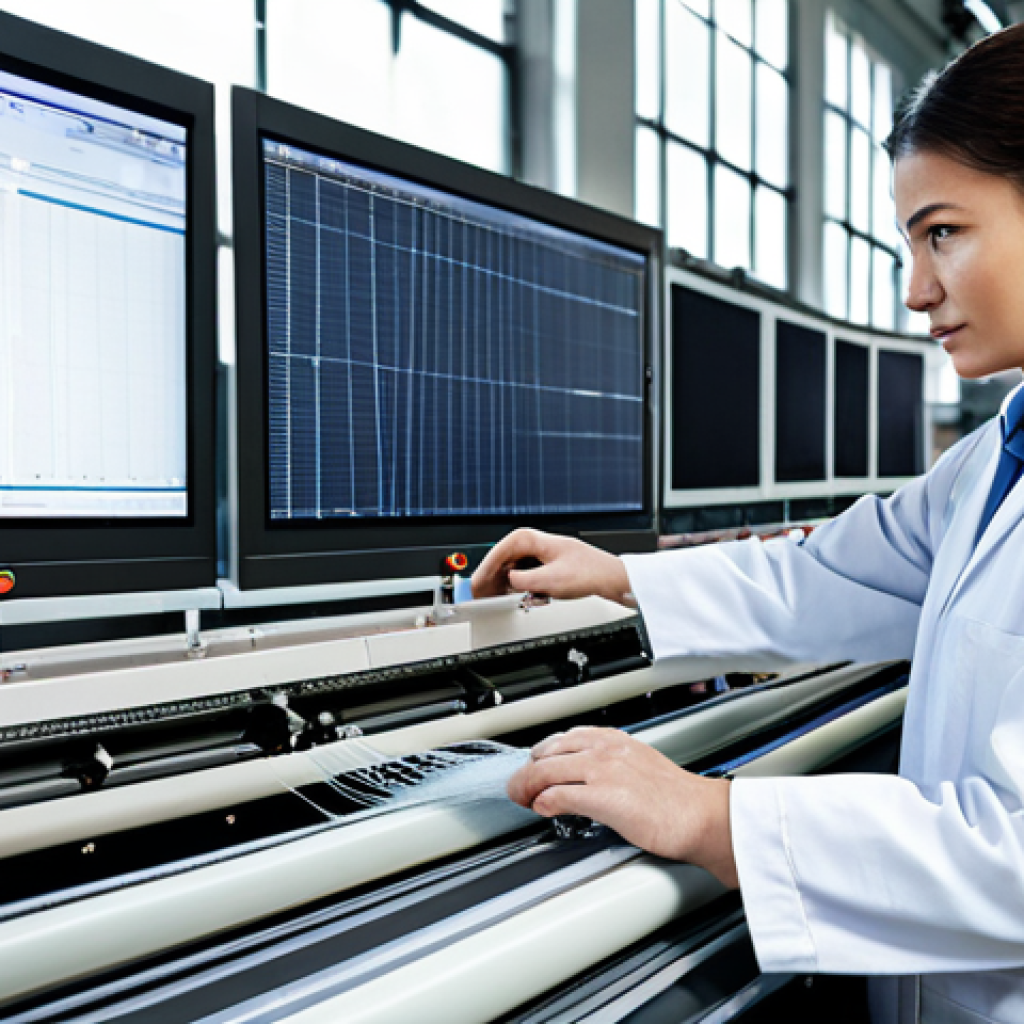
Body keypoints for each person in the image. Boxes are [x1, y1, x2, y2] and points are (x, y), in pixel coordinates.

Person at [473, 24, 1024, 1024]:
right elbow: (831, 575)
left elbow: (1014, 858)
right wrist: (620, 575)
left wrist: (708, 813)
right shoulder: (991, 460)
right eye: (910, 240)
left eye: (943, 231)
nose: (915, 288)